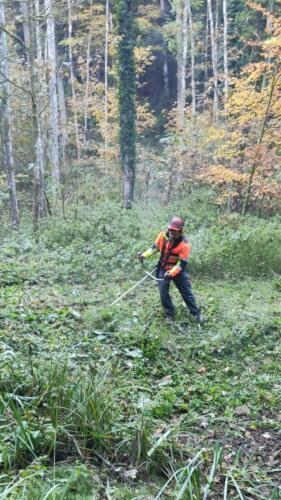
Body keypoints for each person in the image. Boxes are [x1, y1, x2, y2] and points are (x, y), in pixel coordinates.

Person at [138, 217, 202, 324]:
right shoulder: (162, 236)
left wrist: (171, 273)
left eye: (175, 231)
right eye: (171, 230)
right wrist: (144, 255)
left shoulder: (185, 244)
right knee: (163, 292)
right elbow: (155, 247)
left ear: (181, 231)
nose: (172, 233)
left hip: (178, 271)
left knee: (186, 292)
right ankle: (169, 314)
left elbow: (182, 263)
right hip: (163, 268)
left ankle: (196, 314)